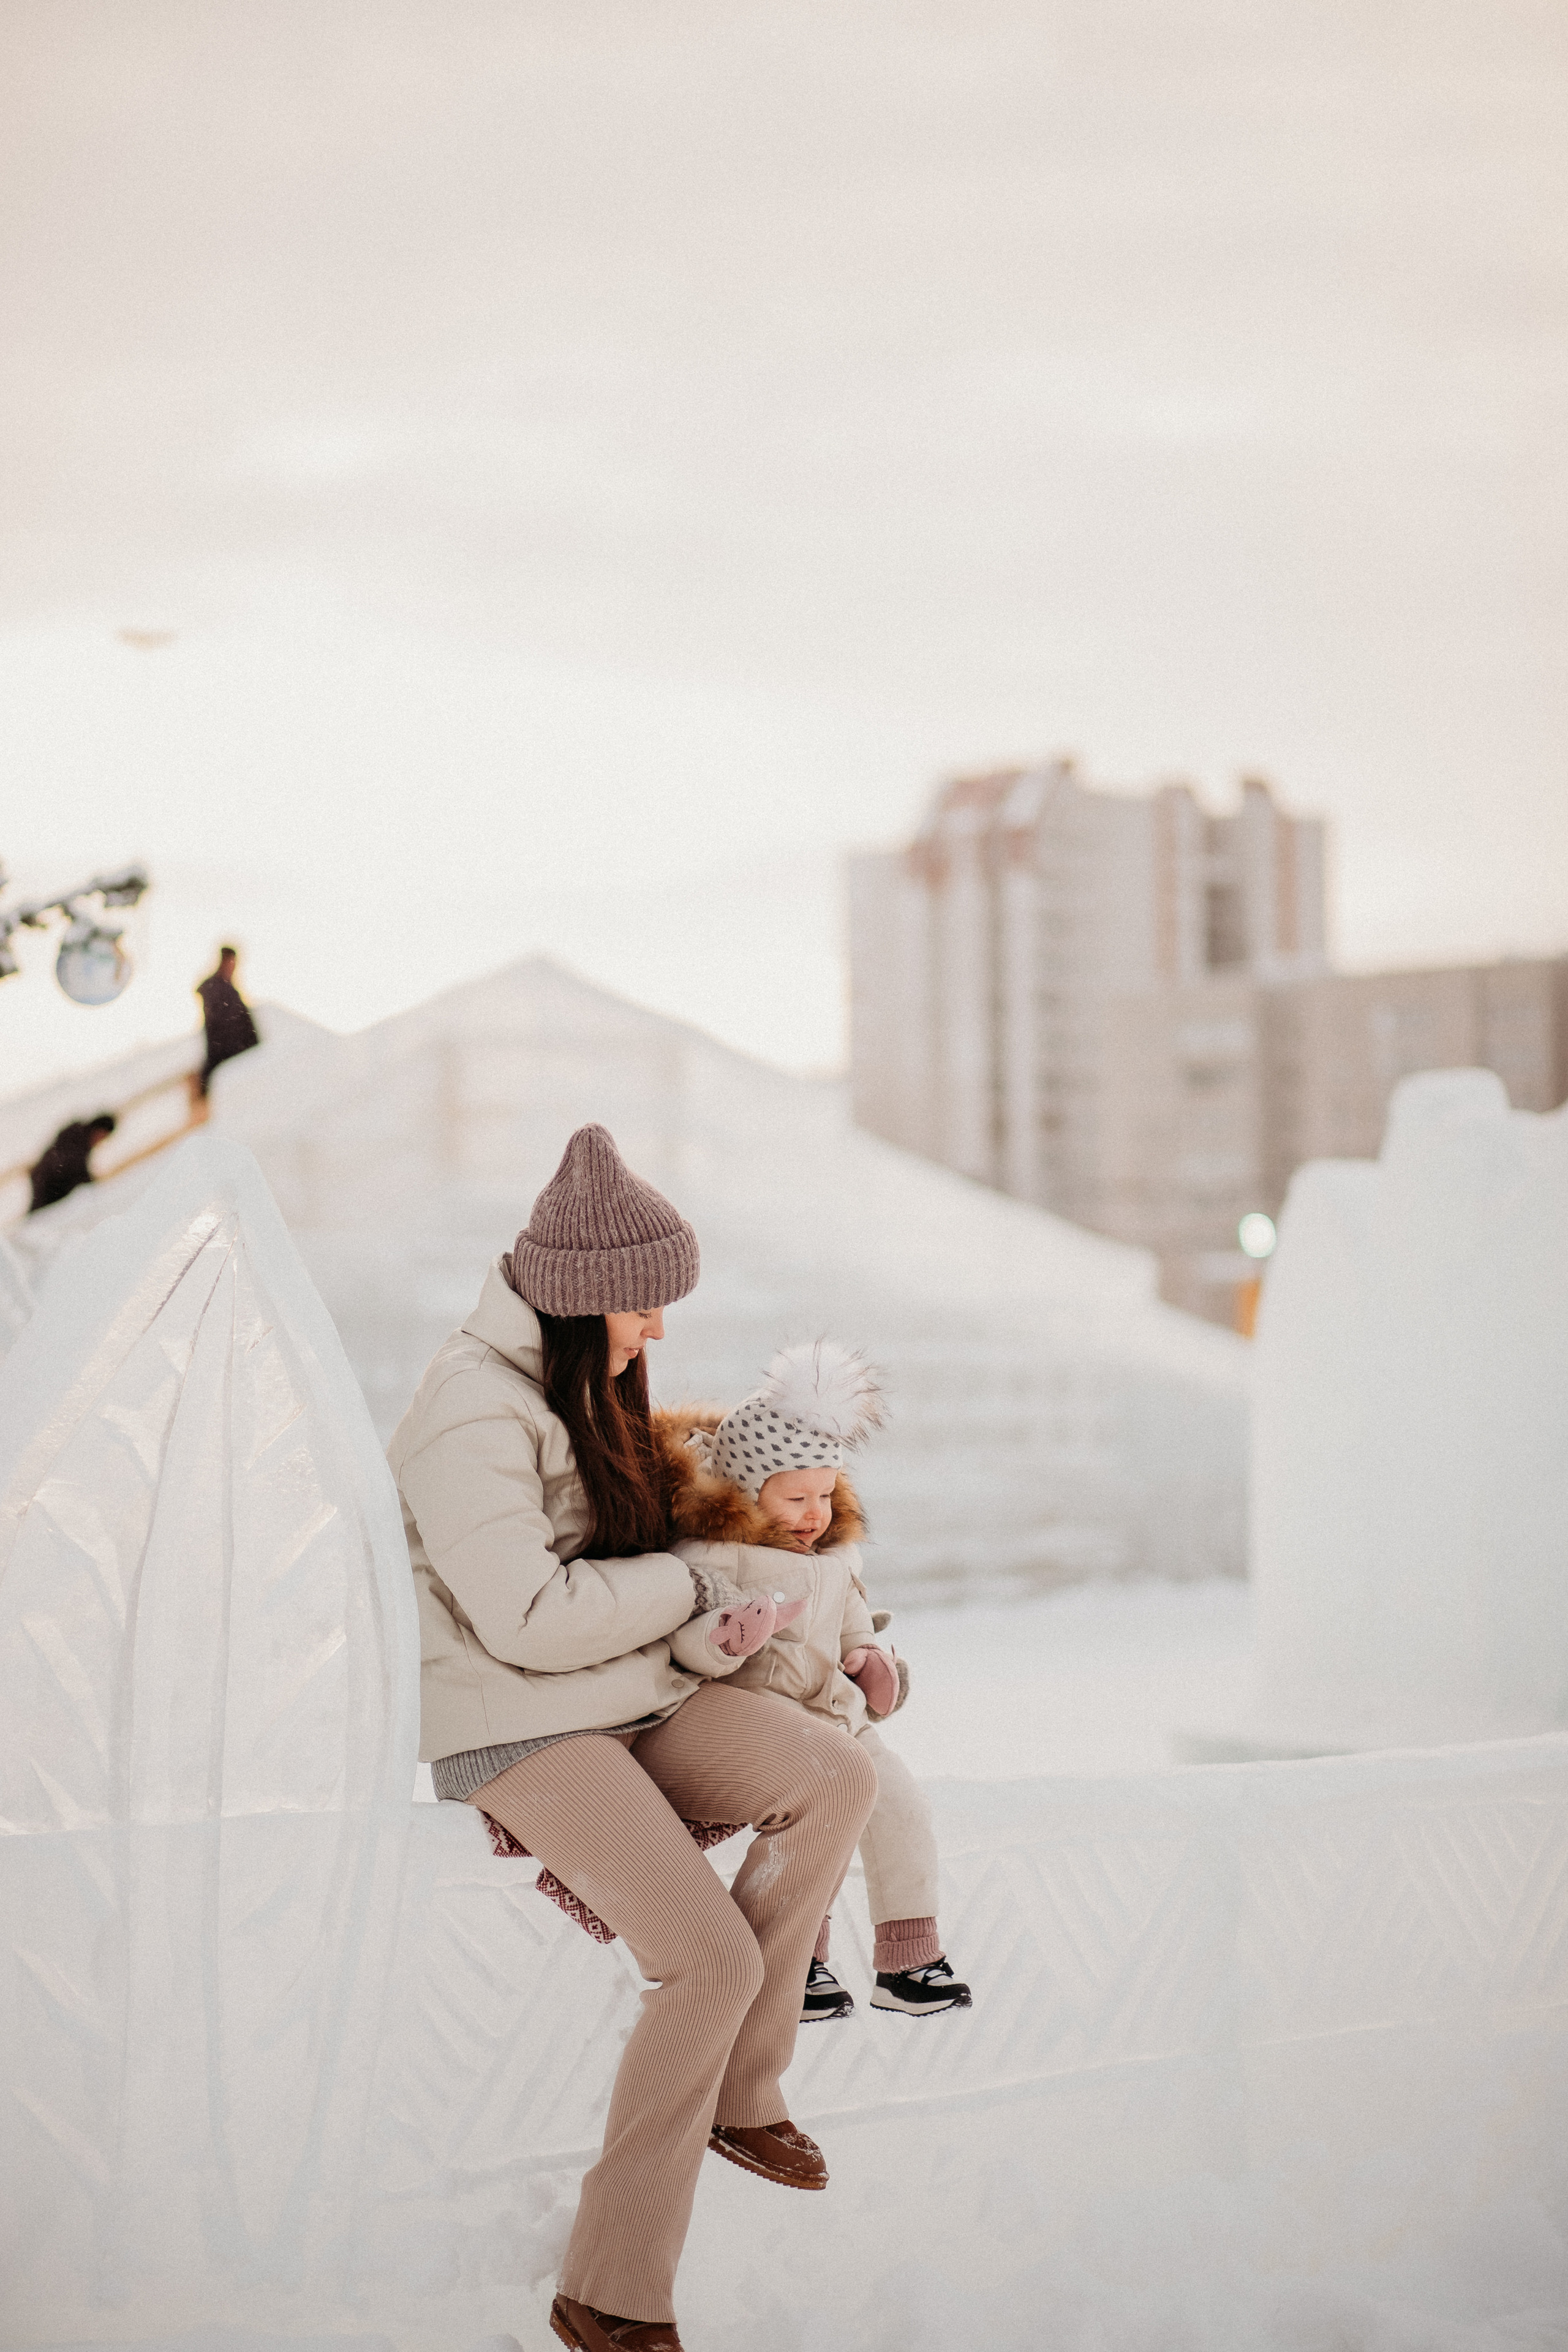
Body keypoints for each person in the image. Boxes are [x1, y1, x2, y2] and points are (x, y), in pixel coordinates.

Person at [387, 1124, 877, 2352]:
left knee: (830, 1773)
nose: (655, 1332)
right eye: (644, 1310)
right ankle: (608, 2292)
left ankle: (739, 2087)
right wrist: (685, 1582)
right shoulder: (469, 1409)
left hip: (623, 1692)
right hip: (517, 1726)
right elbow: (528, 1616)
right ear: (581, 1305)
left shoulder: (582, 1387)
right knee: (705, 1959)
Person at [657, 1341, 972, 2026]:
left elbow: (856, 1631)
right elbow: (681, 1638)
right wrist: (724, 1637)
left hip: (840, 1719)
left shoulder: (833, 1561)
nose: (814, 1513)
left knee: (901, 1809)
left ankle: (909, 1956)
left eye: (826, 1495)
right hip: (762, 1720)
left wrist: (874, 1668)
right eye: (795, 1496)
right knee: (823, 1816)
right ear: (746, 1490)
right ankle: (799, 1961)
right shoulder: (714, 1559)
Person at [194, 945, 259, 1096]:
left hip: (233, 1059)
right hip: (226, 1060)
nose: (234, 967)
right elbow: (222, 1028)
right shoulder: (218, 990)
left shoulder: (227, 991)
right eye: (231, 962)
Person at [28, 1112, 116, 1213]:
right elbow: (72, 1164)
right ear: (98, 1130)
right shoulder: (77, 1136)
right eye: (102, 1137)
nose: (100, 1142)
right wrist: (89, 1179)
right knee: (40, 1214)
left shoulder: (78, 1134)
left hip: (46, 1179)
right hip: (49, 1181)